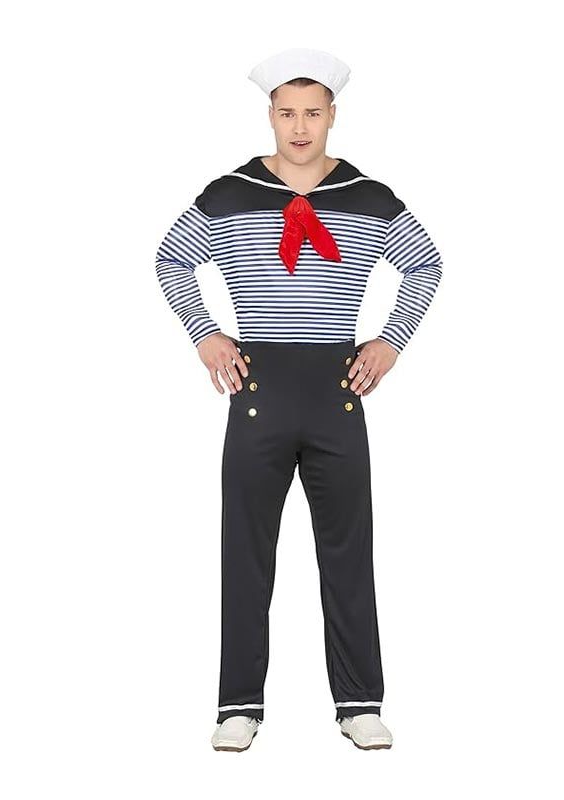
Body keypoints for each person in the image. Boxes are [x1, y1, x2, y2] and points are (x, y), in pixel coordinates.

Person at [154, 48, 444, 751]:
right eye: (287, 112)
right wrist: (205, 333)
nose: (300, 126)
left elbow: (426, 263)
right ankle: (238, 705)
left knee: (348, 552)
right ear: (271, 115)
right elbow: (171, 257)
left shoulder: (368, 196)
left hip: (337, 392)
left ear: (332, 115)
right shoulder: (230, 193)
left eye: (313, 112)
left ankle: (359, 703)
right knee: (245, 553)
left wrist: (390, 342)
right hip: (256, 390)